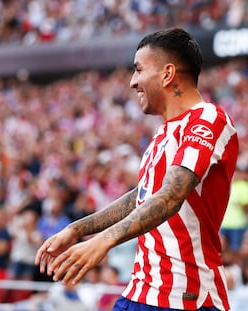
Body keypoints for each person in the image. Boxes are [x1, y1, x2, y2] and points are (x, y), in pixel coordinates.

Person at [35, 28, 239, 311]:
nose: (132, 82)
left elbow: (170, 196)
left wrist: (104, 241)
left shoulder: (208, 119)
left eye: (139, 70)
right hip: (140, 291)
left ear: (167, 74)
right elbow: (143, 196)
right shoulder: (163, 133)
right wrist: (77, 229)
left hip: (185, 296)